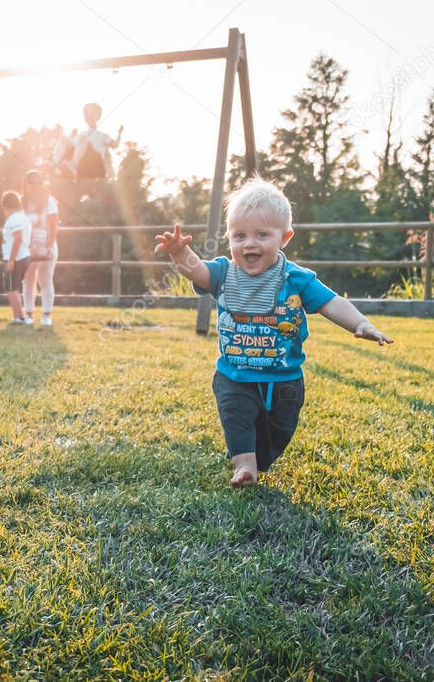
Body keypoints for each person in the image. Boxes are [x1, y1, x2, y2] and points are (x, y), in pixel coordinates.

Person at [154, 177, 394, 488]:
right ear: (229, 237)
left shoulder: (297, 279)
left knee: (280, 429)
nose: (249, 244)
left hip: (284, 379)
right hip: (234, 375)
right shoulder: (224, 273)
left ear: (284, 237)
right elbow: (196, 270)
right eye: (239, 235)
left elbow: (331, 303)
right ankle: (244, 467)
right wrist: (178, 253)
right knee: (236, 419)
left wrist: (361, 324)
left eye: (261, 235)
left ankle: (261, 459)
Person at [21, 170, 59, 328]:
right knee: (28, 280)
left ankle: (46, 315)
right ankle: (28, 314)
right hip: (27, 245)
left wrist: (49, 247)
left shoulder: (49, 201)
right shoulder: (22, 201)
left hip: (45, 243)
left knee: (46, 279)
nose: (34, 187)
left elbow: (53, 226)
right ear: (26, 184)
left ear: (41, 184)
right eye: (31, 184)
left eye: (37, 183)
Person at [50, 103, 123, 180]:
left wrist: (119, 134)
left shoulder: (102, 136)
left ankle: (73, 167)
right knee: (63, 139)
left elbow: (115, 145)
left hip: (94, 165)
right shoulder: (81, 134)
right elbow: (71, 147)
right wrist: (71, 138)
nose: (88, 115)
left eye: (91, 113)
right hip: (81, 163)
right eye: (86, 113)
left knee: (82, 139)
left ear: (97, 117)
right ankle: (56, 166)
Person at [0, 190, 31, 325]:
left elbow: (17, 239)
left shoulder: (14, 218)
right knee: (15, 287)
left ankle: (20, 318)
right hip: (23, 256)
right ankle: (18, 316)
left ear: (5, 205)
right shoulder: (23, 217)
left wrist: (11, 260)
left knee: (11, 288)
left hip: (16, 258)